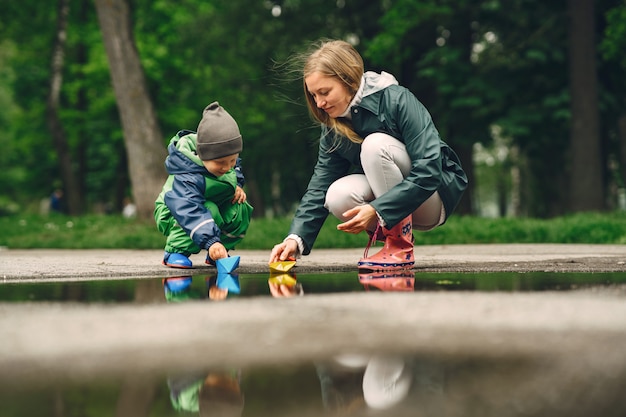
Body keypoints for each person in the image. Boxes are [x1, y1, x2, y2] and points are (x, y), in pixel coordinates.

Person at [269, 39, 467, 270]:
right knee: (336, 195)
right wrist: (295, 239)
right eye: (313, 95)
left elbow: (429, 171)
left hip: (435, 197)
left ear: (348, 80)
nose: (319, 103)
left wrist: (378, 209)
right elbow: (320, 184)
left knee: (375, 145)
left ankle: (399, 246)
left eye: (324, 92)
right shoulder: (334, 125)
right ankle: (386, 241)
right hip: (397, 203)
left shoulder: (397, 99)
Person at [155, 102, 253, 269]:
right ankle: (175, 251)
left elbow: (234, 171)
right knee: (210, 209)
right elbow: (189, 208)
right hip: (176, 210)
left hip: (206, 205)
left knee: (240, 208)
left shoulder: (226, 165)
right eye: (220, 162)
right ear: (202, 156)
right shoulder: (188, 175)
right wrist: (210, 240)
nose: (227, 167)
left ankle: (218, 252)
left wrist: (237, 186)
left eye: (232, 160)